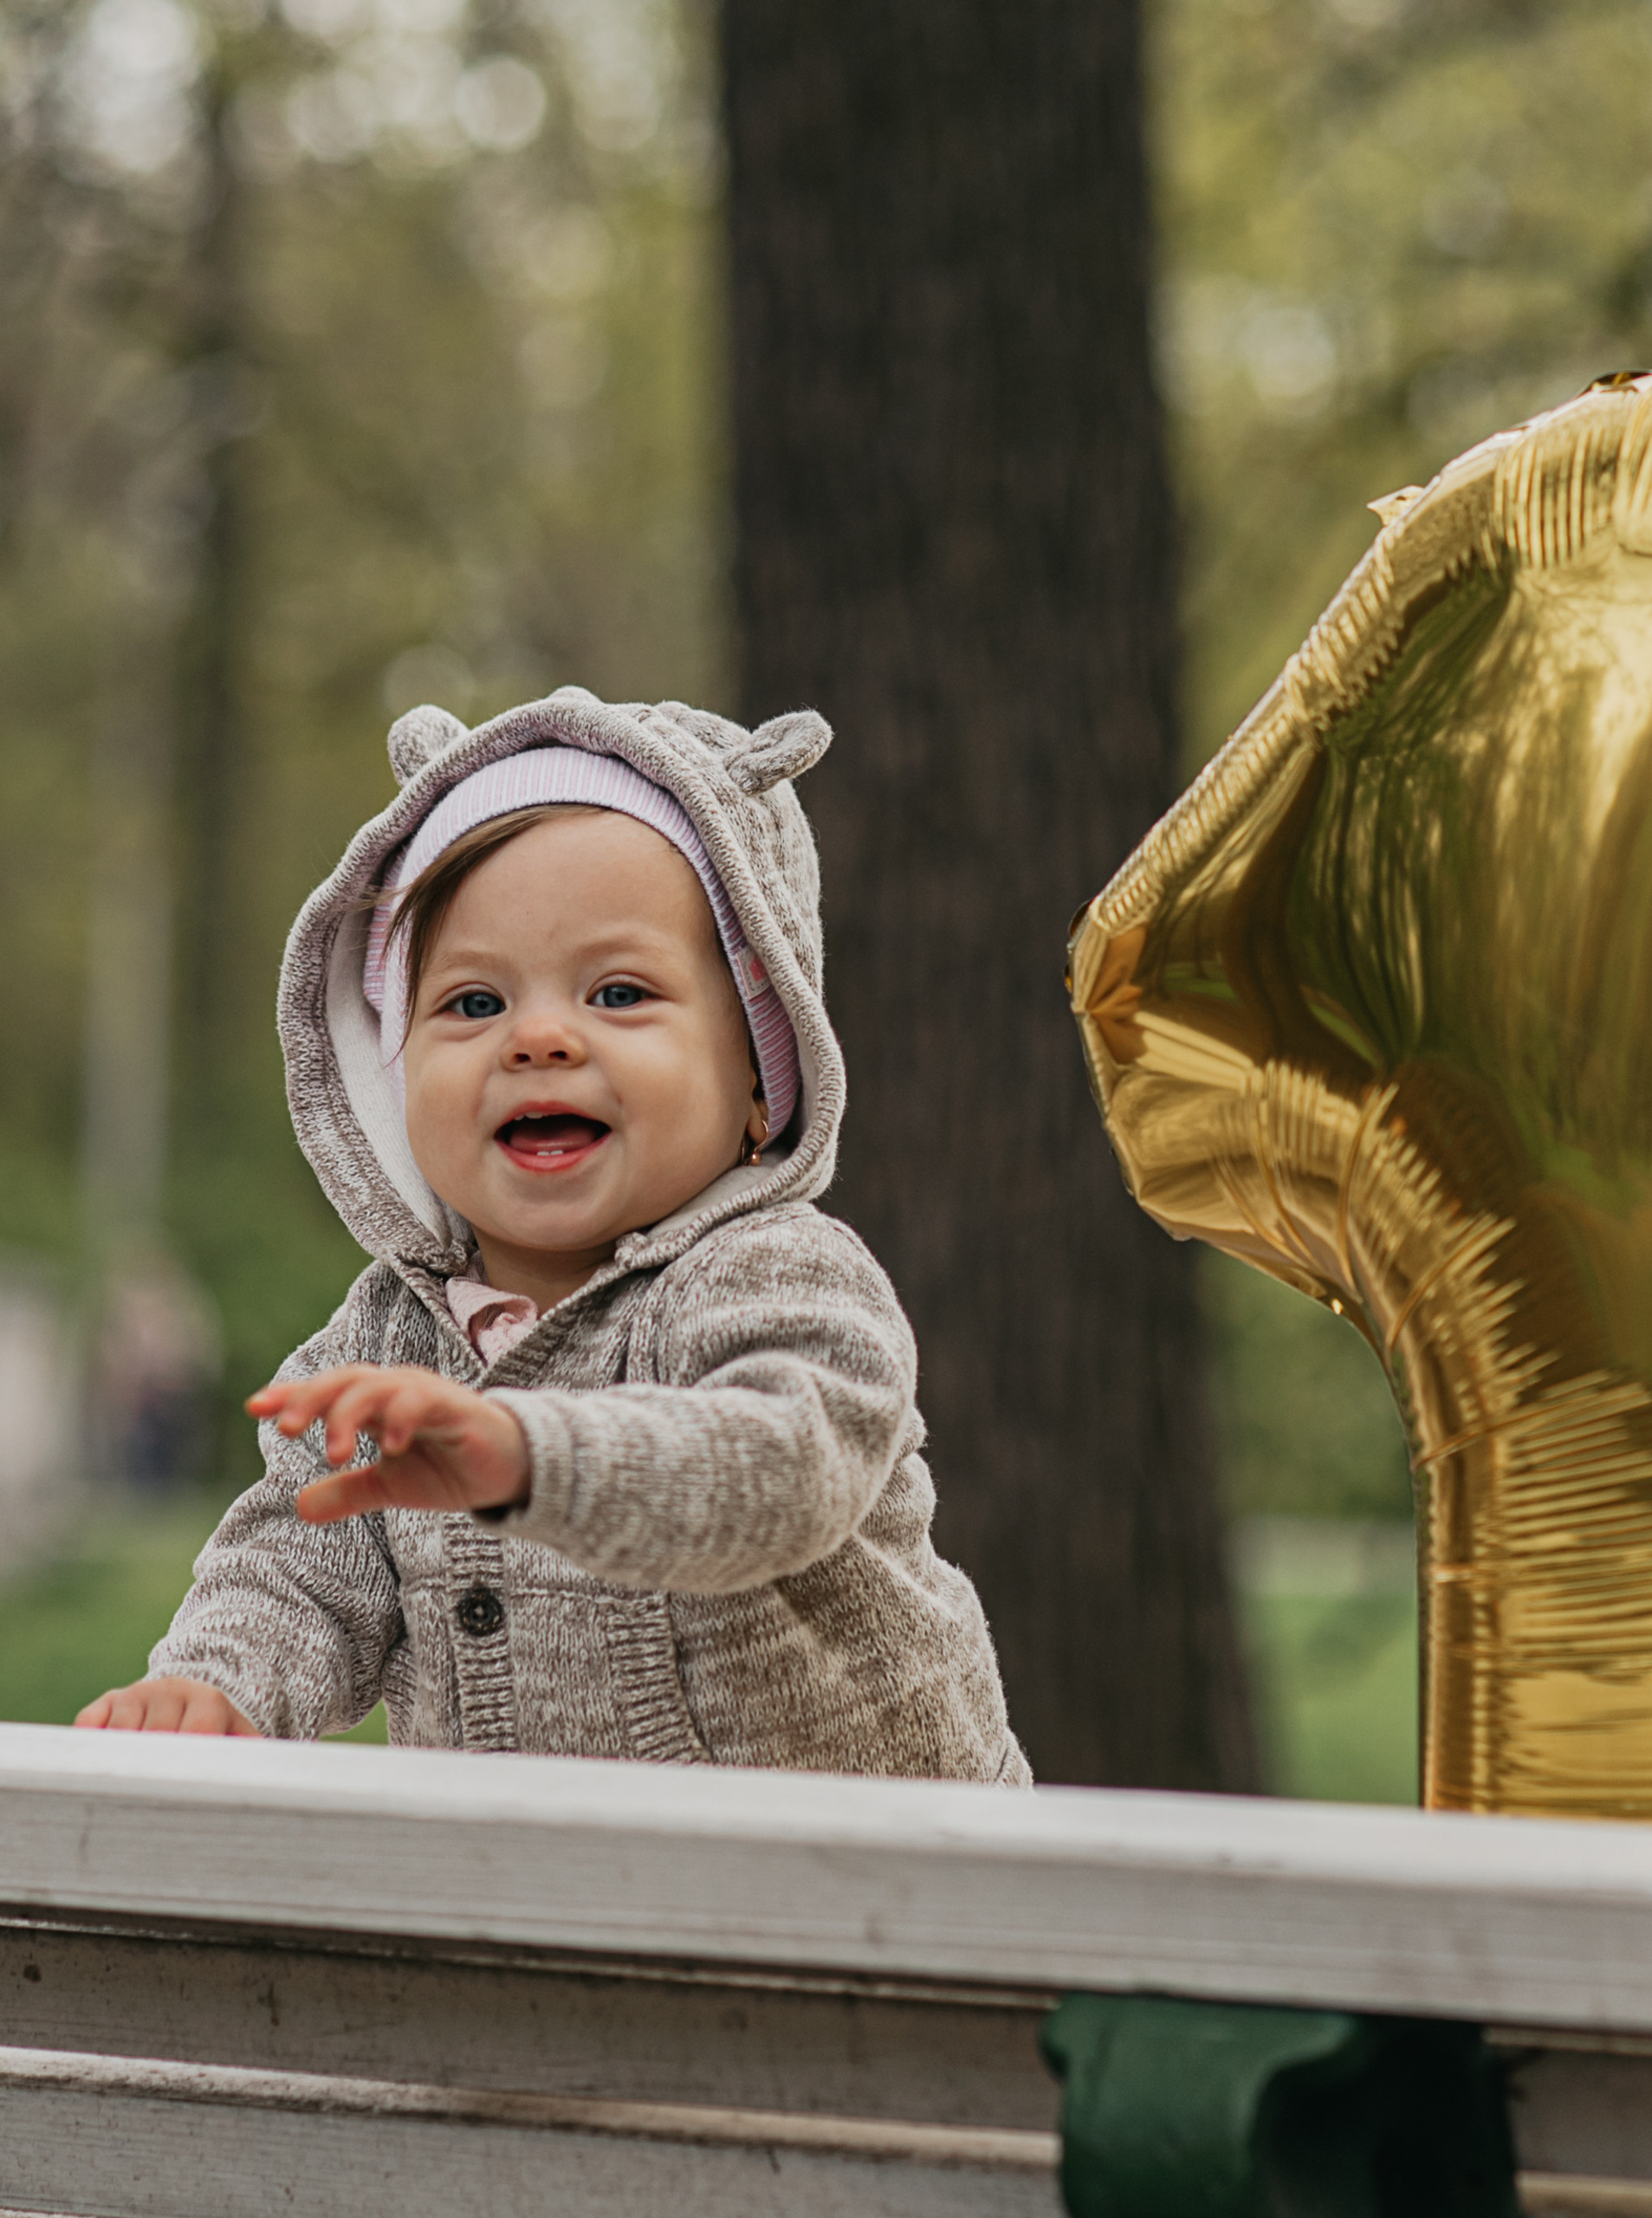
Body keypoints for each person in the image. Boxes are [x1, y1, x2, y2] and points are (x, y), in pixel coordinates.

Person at [77, 688, 1029, 1784]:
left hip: (878, 1892)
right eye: (472, 1004)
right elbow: (302, 1557)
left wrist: (529, 1455)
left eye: (618, 992)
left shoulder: (774, 1272)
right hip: (534, 1898)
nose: (536, 1037)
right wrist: (215, 1686)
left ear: (762, 1080)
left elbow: (784, 1467)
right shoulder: (383, 1341)